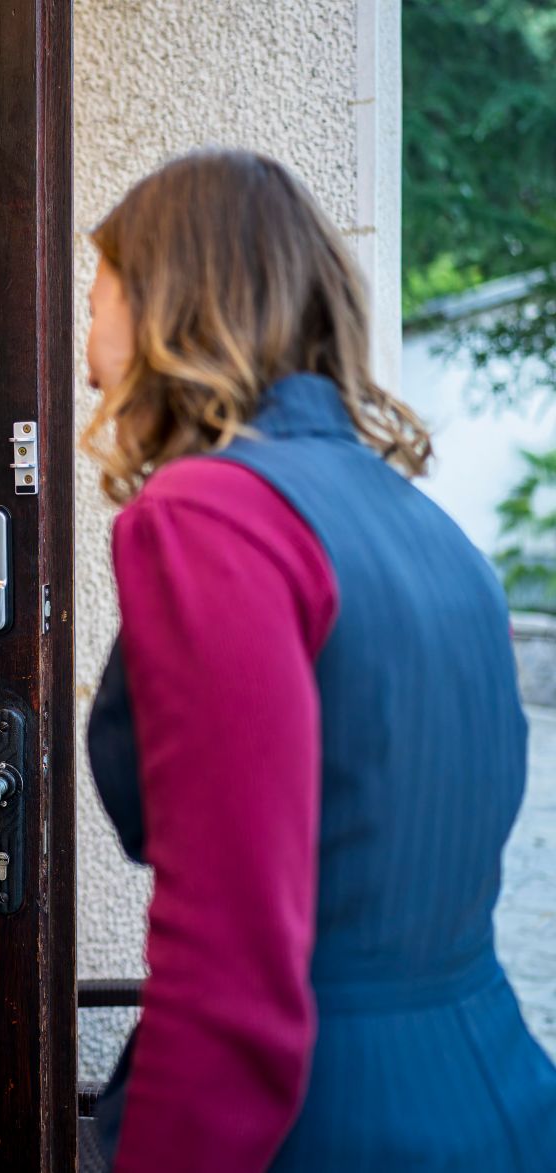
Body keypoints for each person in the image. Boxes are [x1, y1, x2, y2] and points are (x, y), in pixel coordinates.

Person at [80, 150, 556, 1171]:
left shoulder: (207, 514)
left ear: (166, 298)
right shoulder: (433, 530)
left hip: (321, 1119)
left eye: (94, 298)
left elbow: (231, 956)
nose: (84, 348)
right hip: (500, 1095)